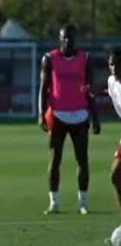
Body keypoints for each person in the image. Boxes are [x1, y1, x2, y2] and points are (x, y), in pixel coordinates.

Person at [39, 23, 100, 215]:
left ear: (76, 39)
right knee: (55, 160)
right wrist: (41, 114)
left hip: (80, 115)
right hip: (57, 115)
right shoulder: (49, 59)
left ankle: (83, 202)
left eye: (71, 38)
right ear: (59, 39)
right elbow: (43, 89)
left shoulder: (85, 59)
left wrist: (95, 116)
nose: (67, 41)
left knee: (82, 160)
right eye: (64, 38)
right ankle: (54, 202)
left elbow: (90, 91)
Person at [105, 49, 121, 216]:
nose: (114, 68)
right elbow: (112, 92)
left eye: (118, 64)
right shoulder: (111, 82)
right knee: (116, 176)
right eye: (111, 64)